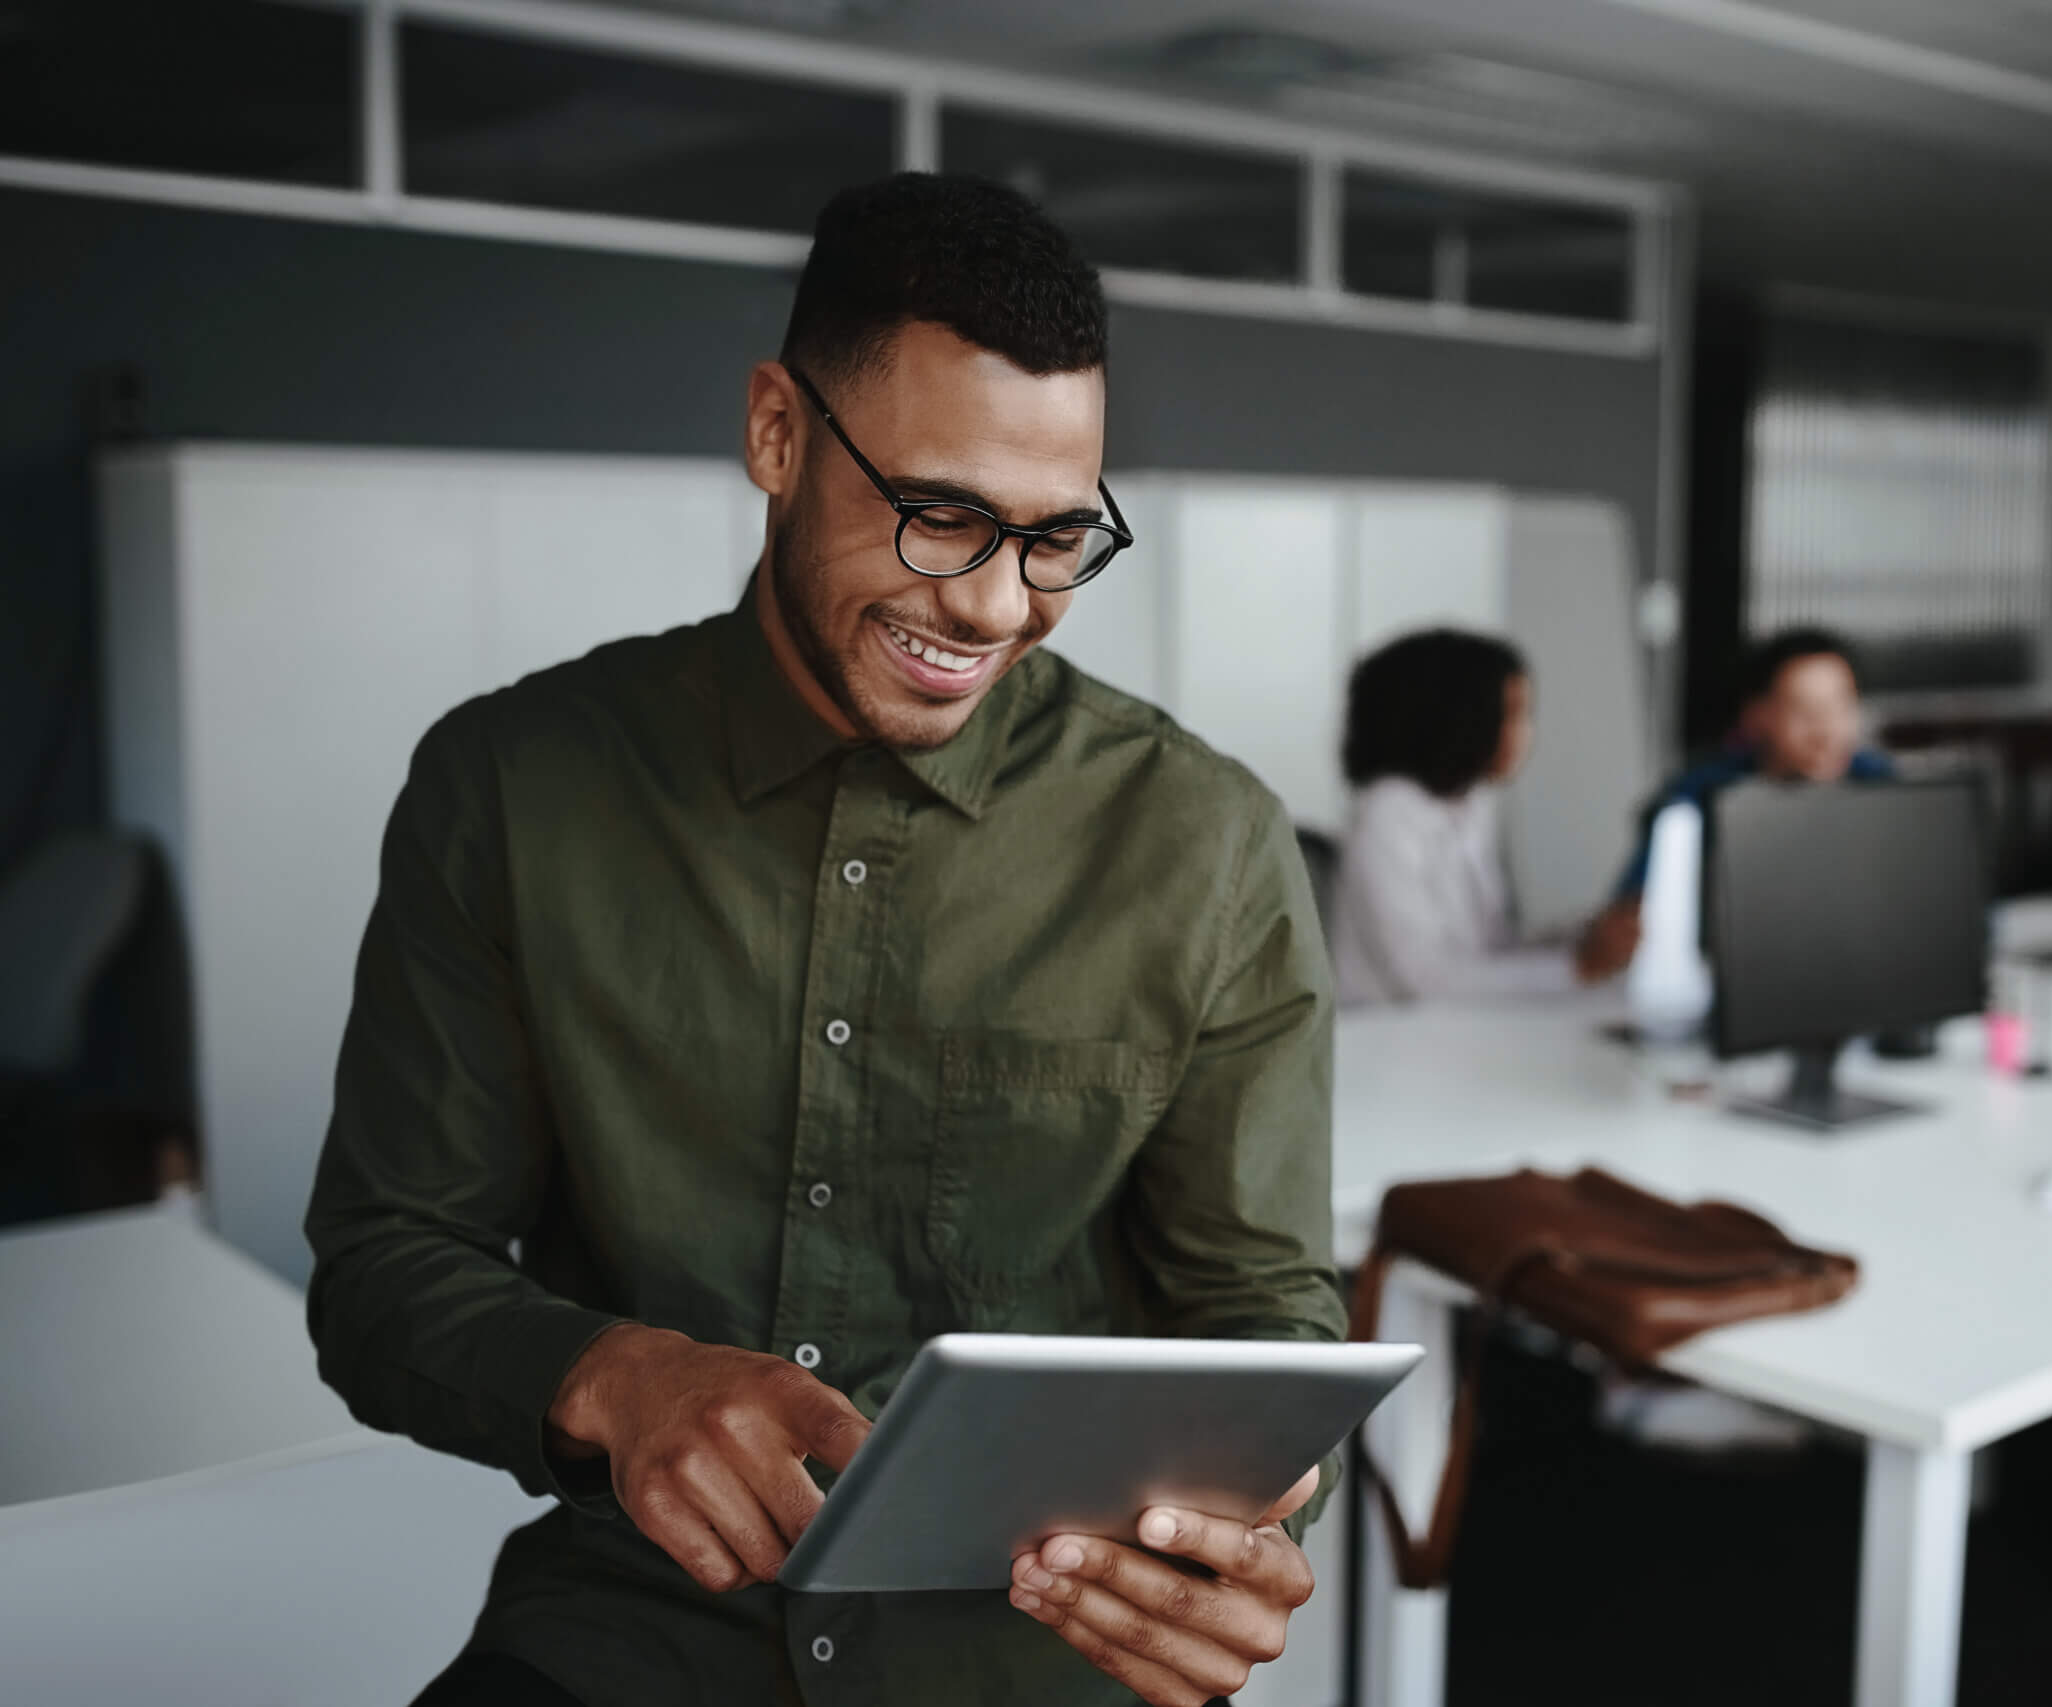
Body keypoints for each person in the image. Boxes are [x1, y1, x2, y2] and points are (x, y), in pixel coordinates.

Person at [305, 174, 1342, 1707]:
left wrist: (1250, 1518)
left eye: (1059, 537)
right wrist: (613, 1372)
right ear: (778, 435)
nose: (998, 605)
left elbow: (1266, 1321)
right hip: (633, 1632)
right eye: (943, 518)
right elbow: (385, 1263)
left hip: (1033, 1648)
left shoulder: (1211, 844)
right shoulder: (511, 786)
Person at [1577, 625, 1892, 979]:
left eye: (1840, 706)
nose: (1825, 731)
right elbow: (1619, 931)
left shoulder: (1882, 786)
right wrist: (1618, 934)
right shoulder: (1697, 798)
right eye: (1802, 709)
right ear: (1756, 716)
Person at [1330, 629, 1618, 1004]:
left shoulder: (1468, 807)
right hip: (1390, 1043)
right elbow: (1426, 981)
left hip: (1454, 1035)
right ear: (1458, 718)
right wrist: (1577, 968)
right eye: (1512, 714)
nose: (1525, 733)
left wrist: (1581, 939)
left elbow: (1489, 952)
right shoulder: (1386, 816)